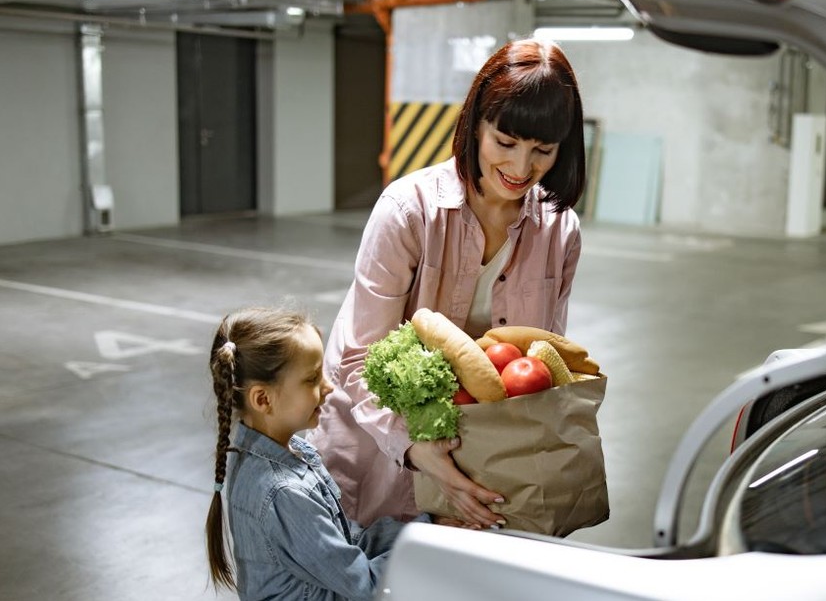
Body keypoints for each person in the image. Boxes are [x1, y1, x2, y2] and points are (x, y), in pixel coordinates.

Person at [311, 38, 587, 530]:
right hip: (379, 443)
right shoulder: (408, 211)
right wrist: (416, 448)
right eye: (505, 143)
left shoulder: (559, 231)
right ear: (475, 125)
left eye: (542, 150)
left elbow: (539, 362)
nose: (522, 169)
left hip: (481, 456)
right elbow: (358, 357)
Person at [205, 306, 420, 600]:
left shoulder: (287, 451)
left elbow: (344, 541)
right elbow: (365, 584)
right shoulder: (283, 492)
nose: (329, 386)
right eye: (312, 378)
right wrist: (425, 545)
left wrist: (428, 528)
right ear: (263, 398)